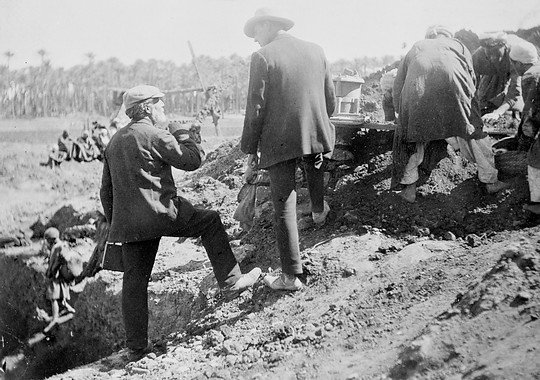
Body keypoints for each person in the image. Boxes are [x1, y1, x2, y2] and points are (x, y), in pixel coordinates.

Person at [100, 85, 261, 361]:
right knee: (209, 222)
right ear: (147, 108)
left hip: (131, 225)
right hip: (164, 214)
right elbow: (191, 161)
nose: (163, 108)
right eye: (160, 104)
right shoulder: (155, 134)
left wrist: (119, 224)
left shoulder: (115, 141)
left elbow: (106, 191)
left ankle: (136, 349)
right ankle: (232, 281)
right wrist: (185, 135)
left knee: (135, 282)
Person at [241, 8, 336, 291]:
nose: (255, 40)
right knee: (314, 163)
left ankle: (291, 276)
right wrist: (318, 123)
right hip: (314, 130)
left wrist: (250, 149)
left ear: (268, 26)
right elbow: (329, 98)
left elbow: (254, 110)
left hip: (280, 138)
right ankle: (319, 212)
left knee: (283, 201)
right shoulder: (316, 50)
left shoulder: (263, 57)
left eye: (256, 32)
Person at [392, 25, 509, 203]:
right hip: (455, 88)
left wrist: (401, 115)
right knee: (473, 132)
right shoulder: (458, 45)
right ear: (447, 35)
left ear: (430, 36)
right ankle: (490, 181)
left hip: (418, 91)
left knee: (412, 139)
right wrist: (470, 107)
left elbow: (398, 84)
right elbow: (471, 77)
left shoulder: (417, 46)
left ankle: (409, 190)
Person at [506, 41, 540, 215]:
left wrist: (523, 138)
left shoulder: (529, 75)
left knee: (535, 159)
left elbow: (530, 111)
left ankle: (537, 204)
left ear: (519, 63)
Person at [472, 32, 525, 120]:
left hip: (515, 68)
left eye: (496, 55)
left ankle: (515, 114)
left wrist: (498, 113)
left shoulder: (515, 54)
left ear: (504, 47)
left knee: (519, 102)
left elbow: (515, 91)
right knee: (484, 100)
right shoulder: (478, 55)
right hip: (494, 72)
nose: (492, 58)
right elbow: (471, 82)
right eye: (489, 56)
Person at [40, 227, 76, 334]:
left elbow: (55, 261)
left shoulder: (56, 247)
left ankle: (55, 319)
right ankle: (71, 310)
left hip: (57, 276)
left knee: (53, 297)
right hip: (63, 275)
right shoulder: (63, 245)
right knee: (62, 295)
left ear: (51, 239)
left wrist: (50, 272)